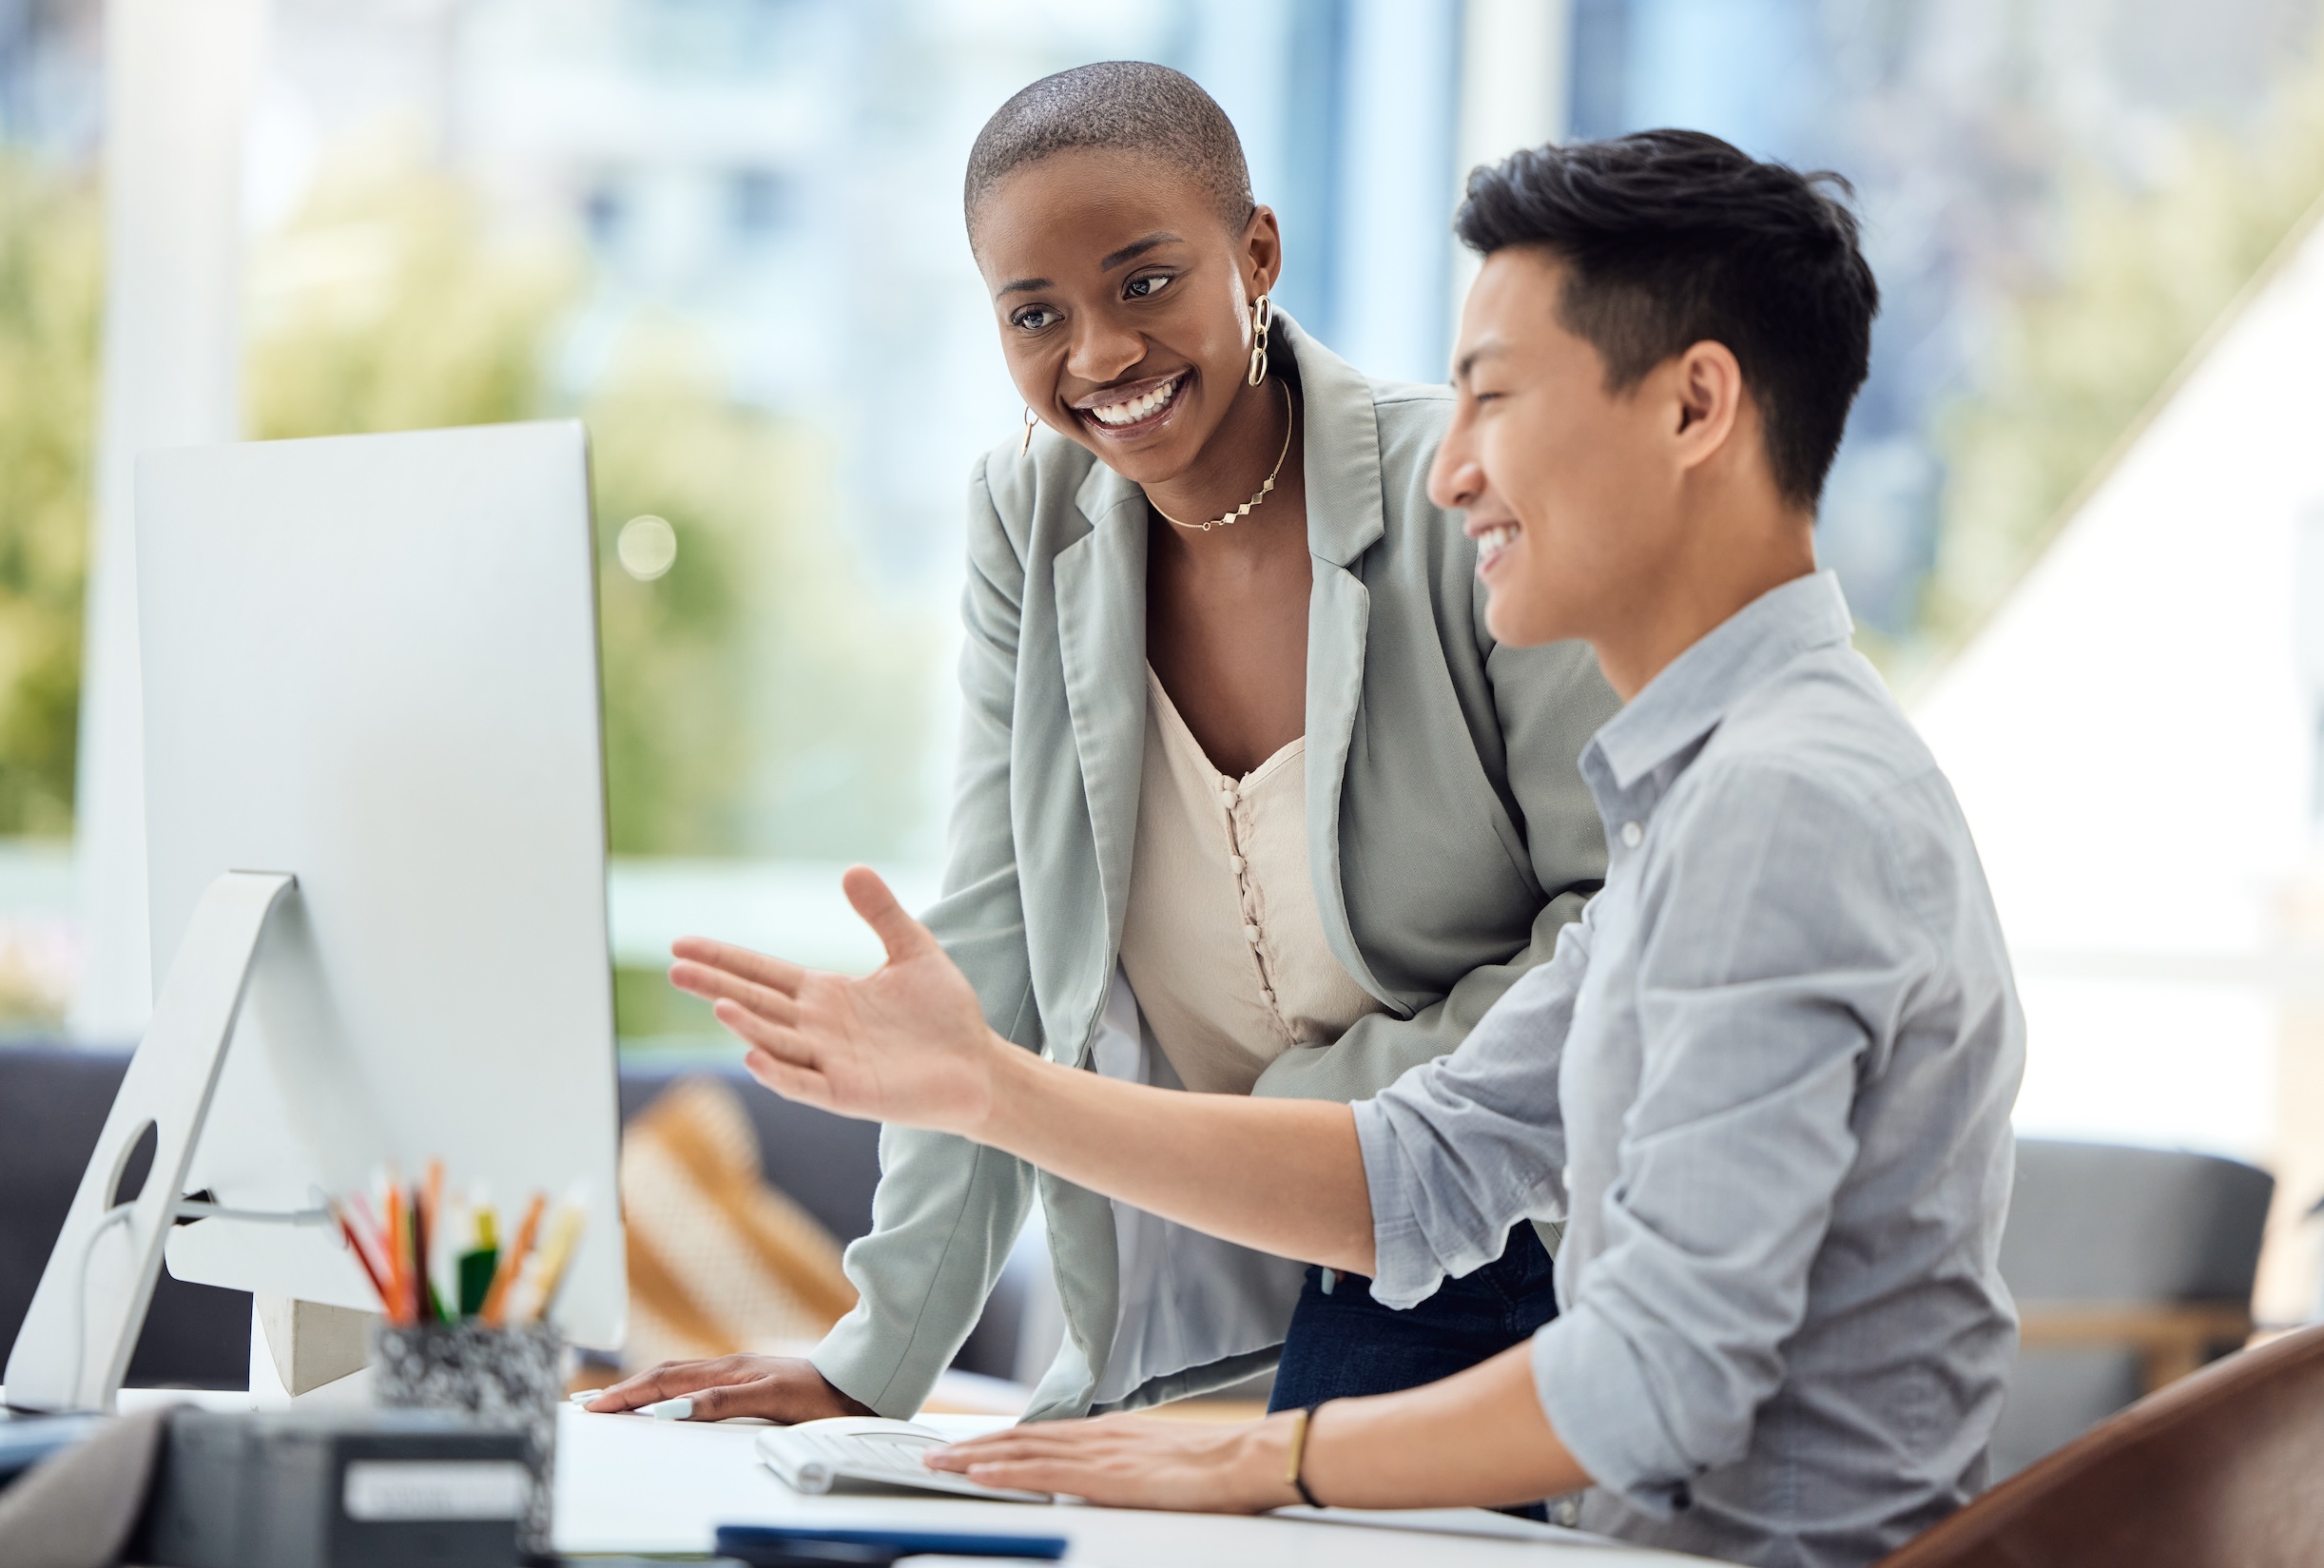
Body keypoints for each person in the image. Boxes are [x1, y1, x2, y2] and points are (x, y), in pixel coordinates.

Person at [667, 130, 2026, 1568]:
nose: (1449, 473)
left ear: (1695, 408)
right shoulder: (1720, 785)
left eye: (1495, 397)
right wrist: (991, 1088)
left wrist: (1264, 1461)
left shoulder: (1781, 805)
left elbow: (1658, 1372)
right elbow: (1424, 1171)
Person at [589, 63, 1616, 1426]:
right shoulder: (1031, 520)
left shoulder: (1463, 497)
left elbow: (1625, 919)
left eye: (1143, 283)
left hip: (1491, 1244)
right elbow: (995, 944)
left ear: (1255, 252)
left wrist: (1314, 1118)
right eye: (1036, 314)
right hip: (1184, 1298)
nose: (1099, 355)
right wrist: (871, 1363)